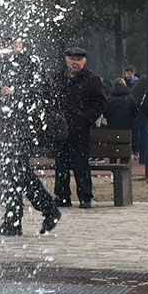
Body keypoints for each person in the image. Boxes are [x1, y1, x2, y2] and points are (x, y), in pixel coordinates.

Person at [0, 40, 60, 234]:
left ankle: (48, 209)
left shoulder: (31, 62)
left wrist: (15, 92)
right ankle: (13, 221)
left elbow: (41, 91)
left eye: (14, 42)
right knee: (9, 173)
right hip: (5, 127)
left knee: (19, 171)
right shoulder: (1, 64)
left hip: (23, 127)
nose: (11, 46)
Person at [51, 45, 106, 209]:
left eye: (78, 59)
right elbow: (49, 99)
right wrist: (54, 118)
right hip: (61, 130)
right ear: (66, 60)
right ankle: (62, 196)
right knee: (61, 165)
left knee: (81, 164)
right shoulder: (58, 77)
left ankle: (85, 196)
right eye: (72, 59)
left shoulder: (92, 79)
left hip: (80, 131)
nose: (75, 63)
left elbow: (99, 104)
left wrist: (84, 120)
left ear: (84, 61)